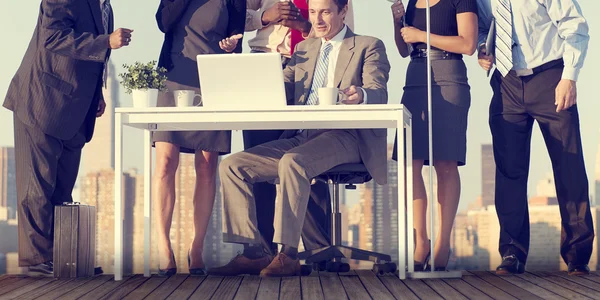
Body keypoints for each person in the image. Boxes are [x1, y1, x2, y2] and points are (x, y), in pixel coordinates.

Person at [210, 0, 390, 277]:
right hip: (303, 135)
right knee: (233, 165)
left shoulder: (368, 45)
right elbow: (277, 86)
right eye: (314, 13)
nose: (318, 20)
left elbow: (378, 90)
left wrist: (361, 95)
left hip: (346, 135)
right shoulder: (304, 49)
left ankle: (289, 255)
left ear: (343, 12)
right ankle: (256, 252)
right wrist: (234, 61)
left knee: (293, 162)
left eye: (326, 12)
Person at [3, 0, 131, 276]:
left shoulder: (105, 8)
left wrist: (97, 95)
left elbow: (96, 62)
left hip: (75, 108)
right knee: (37, 188)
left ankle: (64, 260)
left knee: (62, 190)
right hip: (41, 99)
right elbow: (52, 37)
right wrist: (105, 40)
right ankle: (35, 262)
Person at [477, 0, 594, 275]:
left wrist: (570, 76)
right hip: (505, 82)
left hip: (551, 77)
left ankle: (577, 256)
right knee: (509, 173)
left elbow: (574, 25)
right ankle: (512, 253)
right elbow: (485, 28)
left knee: (569, 166)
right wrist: (485, 48)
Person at [153, 0, 245, 276]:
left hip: (212, 81)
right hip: (172, 77)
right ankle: (163, 247)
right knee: (166, 163)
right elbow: (163, 22)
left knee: (206, 167)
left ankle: (197, 247)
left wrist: (231, 46)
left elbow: (237, 41)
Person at [390, 0, 477, 271]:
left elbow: (468, 44)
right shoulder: (413, 2)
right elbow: (405, 49)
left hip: (449, 75)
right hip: (416, 75)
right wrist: (398, 21)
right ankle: (421, 242)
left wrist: (421, 36)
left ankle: (443, 243)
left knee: (446, 162)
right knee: (410, 162)